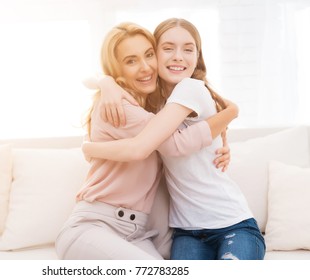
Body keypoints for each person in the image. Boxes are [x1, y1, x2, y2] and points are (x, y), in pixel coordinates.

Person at [82, 18, 265, 260]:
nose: (178, 56)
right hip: (186, 231)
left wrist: (90, 148)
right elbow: (90, 78)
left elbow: (174, 145)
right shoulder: (153, 103)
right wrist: (106, 83)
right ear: (155, 54)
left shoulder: (190, 88)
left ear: (197, 57)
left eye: (188, 49)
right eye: (168, 48)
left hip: (231, 223)